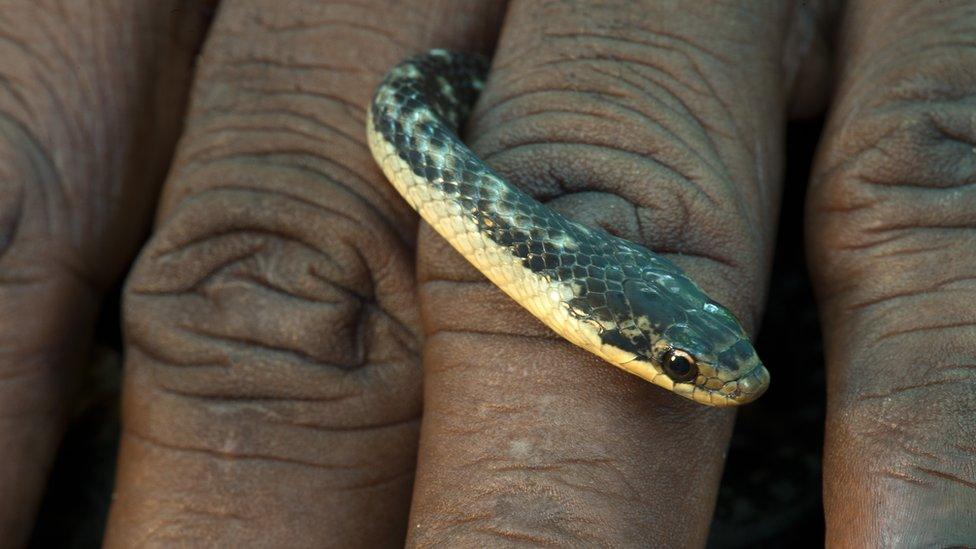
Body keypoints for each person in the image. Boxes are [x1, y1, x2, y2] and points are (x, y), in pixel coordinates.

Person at [1, 0, 973, 546]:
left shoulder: (513, 216)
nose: (717, 379)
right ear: (593, 313)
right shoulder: (478, 204)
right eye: (681, 365)